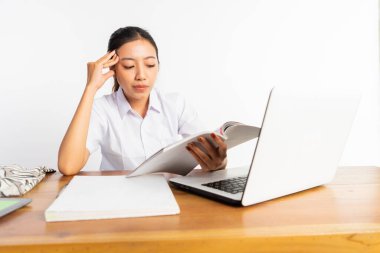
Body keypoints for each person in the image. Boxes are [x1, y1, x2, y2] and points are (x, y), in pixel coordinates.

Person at [58, 26, 227, 176]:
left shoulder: (176, 104)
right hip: (120, 199)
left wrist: (219, 163)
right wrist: (90, 88)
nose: (141, 75)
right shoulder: (102, 109)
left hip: (170, 195)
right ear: (113, 69)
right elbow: (68, 166)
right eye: (129, 66)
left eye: (150, 64)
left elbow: (209, 152)